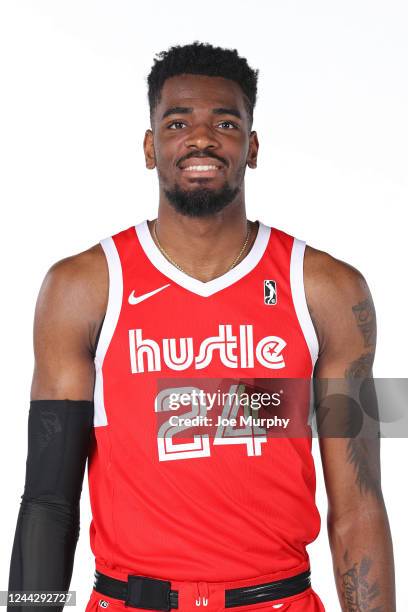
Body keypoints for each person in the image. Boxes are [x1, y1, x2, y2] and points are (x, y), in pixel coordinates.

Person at [8, 42, 395, 611]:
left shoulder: (331, 290)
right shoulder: (83, 287)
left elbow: (360, 503)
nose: (202, 138)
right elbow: (47, 497)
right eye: (178, 121)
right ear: (150, 146)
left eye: (226, 121)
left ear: (252, 146)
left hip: (278, 601)